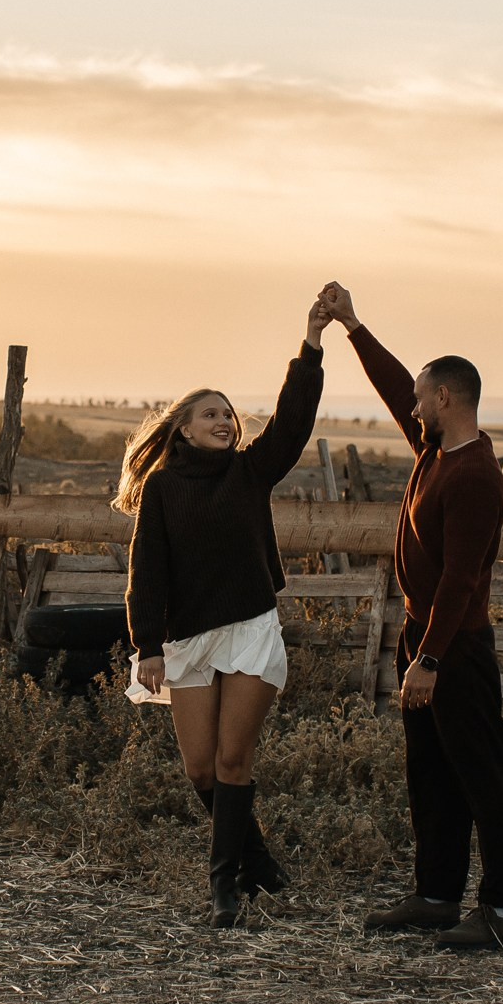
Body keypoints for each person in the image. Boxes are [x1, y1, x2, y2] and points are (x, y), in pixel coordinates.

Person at [317, 282, 503, 950]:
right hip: (424, 639)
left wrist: (429, 660)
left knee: (482, 776)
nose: (410, 404)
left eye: (420, 395)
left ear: (445, 400)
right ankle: (436, 896)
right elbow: (390, 385)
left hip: (455, 647)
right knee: (430, 774)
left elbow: (463, 582)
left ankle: (499, 912)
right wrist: (352, 326)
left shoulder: (475, 477)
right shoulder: (436, 451)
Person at [117, 297, 330, 927]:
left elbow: (291, 424)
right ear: (182, 429)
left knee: (235, 761)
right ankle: (257, 861)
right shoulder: (162, 489)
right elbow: (147, 570)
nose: (226, 421)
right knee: (200, 766)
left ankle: (224, 891)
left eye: (229, 414)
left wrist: (312, 343)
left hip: (249, 629)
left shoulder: (249, 471)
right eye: (211, 414)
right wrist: (146, 644)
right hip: (186, 639)